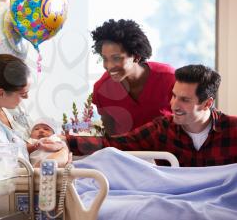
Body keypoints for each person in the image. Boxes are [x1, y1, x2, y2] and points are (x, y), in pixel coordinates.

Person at [66, 64, 237, 167]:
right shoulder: (163, 129)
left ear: (207, 103)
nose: (174, 105)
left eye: (184, 99)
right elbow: (112, 143)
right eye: (173, 95)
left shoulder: (233, 130)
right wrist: (63, 141)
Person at [91, 19, 175, 136]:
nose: (108, 66)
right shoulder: (102, 89)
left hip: (169, 152)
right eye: (105, 58)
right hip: (127, 152)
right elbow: (111, 137)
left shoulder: (169, 78)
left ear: (136, 57)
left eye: (116, 58)